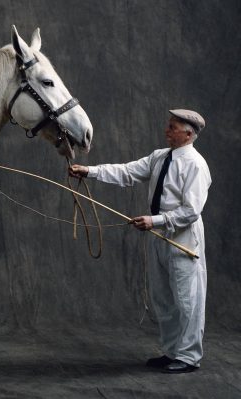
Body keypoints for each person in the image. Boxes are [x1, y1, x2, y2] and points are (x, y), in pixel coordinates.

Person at [69, 109, 211, 374]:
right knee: (163, 297)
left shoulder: (195, 164)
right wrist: (89, 171)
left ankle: (189, 357)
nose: (167, 130)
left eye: (173, 127)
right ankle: (171, 352)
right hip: (157, 234)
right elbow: (127, 172)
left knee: (187, 299)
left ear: (189, 134)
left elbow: (191, 211)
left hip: (183, 237)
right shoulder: (160, 157)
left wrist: (154, 221)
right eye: (168, 126)